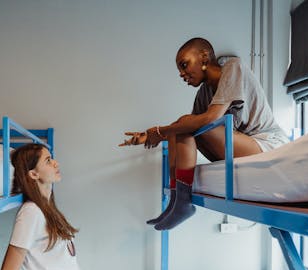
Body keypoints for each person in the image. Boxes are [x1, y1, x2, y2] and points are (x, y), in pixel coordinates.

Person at [120, 37, 289, 230]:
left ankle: (182, 203)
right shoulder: (204, 94)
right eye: (180, 70)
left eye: (184, 65)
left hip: (267, 144)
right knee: (181, 129)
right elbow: (184, 129)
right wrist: (149, 136)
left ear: (204, 57)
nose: (182, 74)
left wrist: (159, 131)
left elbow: (209, 118)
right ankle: (178, 200)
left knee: (185, 124)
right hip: (241, 146)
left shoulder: (233, 67)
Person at [0, 143, 97, 270]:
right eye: (47, 160)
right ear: (33, 174)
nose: (55, 163)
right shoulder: (30, 212)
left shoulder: (48, 209)